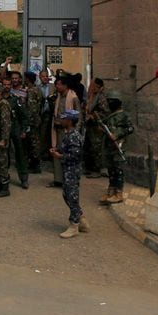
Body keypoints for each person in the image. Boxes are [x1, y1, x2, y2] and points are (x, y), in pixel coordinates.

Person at [52, 109, 88, 238]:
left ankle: (74, 225)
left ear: (70, 120)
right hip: (67, 170)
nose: (61, 120)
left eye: (64, 118)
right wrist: (57, 150)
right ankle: (81, 219)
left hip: (72, 170)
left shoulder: (74, 136)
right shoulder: (68, 134)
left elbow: (75, 155)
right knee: (67, 195)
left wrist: (59, 156)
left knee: (72, 197)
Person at [98, 92, 134, 206]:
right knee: (111, 169)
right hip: (109, 146)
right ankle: (111, 191)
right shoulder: (110, 114)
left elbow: (130, 128)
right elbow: (105, 125)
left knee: (118, 170)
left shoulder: (124, 115)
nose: (109, 104)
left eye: (111, 101)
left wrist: (117, 135)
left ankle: (119, 193)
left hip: (119, 145)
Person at [84, 77, 110, 178]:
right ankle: (90, 168)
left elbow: (105, 112)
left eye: (95, 86)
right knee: (89, 147)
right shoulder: (92, 96)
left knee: (97, 149)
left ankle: (98, 169)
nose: (92, 88)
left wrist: (93, 116)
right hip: (90, 127)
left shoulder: (101, 97)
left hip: (97, 127)